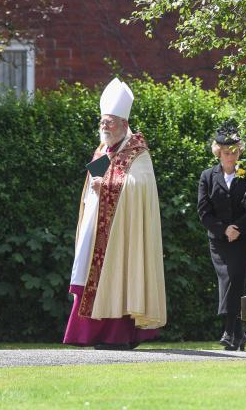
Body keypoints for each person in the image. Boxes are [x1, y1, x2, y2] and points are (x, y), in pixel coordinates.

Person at [63, 78, 167, 349]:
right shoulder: (101, 149)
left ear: (123, 123)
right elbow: (91, 183)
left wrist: (106, 185)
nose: (104, 127)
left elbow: (140, 186)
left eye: (109, 122)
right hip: (96, 226)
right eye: (102, 122)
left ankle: (117, 336)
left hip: (124, 231)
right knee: (90, 275)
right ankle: (88, 334)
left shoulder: (137, 151)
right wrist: (97, 186)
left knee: (122, 275)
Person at [197, 123, 246, 350]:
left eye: (235, 151)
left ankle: (229, 331)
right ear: (218, 152)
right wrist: (223, 229)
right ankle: (238, 334)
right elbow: (204, 211)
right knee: (227, 277)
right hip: (219, 239)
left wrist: (238, 227)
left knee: (236, 276)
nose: (231, 156)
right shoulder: (208, 176)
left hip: (245, 236)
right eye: (227, 152)